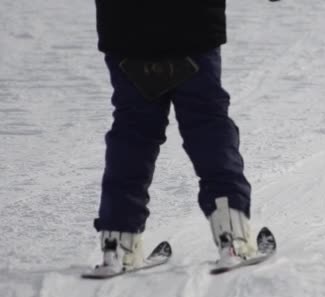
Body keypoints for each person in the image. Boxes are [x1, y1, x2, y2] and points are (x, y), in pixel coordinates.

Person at [92, 0, 255, 272]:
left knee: (133, 133)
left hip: (125, 28)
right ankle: (232, 235)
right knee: (207, 126)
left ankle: (118, 244)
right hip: (193, 26)